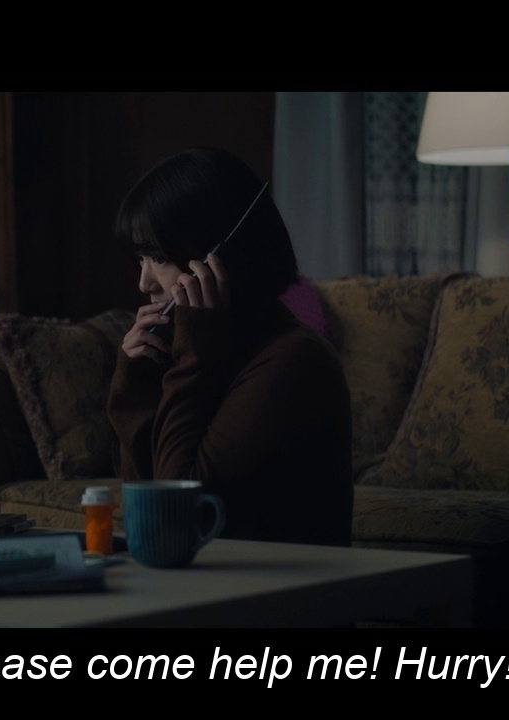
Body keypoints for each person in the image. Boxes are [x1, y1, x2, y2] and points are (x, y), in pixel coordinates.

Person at [105, 147, 353, 546]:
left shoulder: (294, 360)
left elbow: (178, 513)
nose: (144, 283)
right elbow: (146, 516)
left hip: (276, 584)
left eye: (159, 258)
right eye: (141, 259)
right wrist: (136, 384)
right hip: (206, 576)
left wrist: (194, 359)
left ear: (218, 258)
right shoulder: (210, 347)